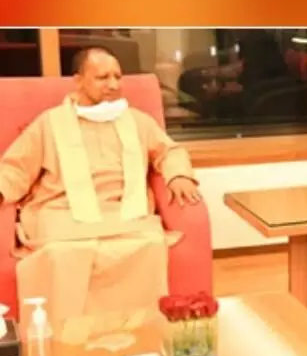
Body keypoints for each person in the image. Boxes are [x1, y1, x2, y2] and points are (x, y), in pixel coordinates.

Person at [0, 45, 201, 325]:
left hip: (123, 212)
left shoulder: (137, 120)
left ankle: (139, 333)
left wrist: (178, 175)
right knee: (62, 254)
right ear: (78, 80)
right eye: (102, 77)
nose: (113, 85)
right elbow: (16, 167)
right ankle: (64, 336)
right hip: (63, 212)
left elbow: (169, 151)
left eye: (117, 77)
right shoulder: (50, 123)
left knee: (149, 245)